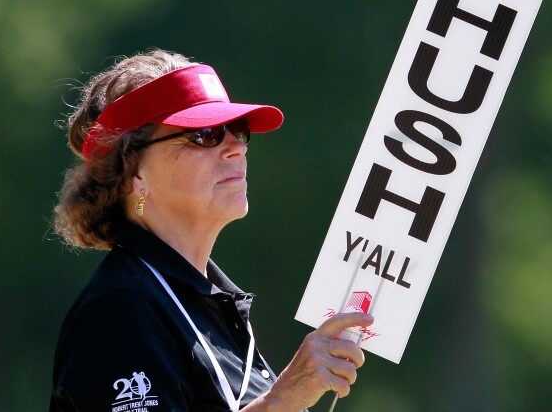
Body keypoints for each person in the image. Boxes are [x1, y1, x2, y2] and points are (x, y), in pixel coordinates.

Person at [50, 49, 373, 412]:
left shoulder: (207, 303)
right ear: (133, 173)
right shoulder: (123, 309)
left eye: (238, 130)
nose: (237, 148)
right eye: (204, 135)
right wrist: (280, 401)